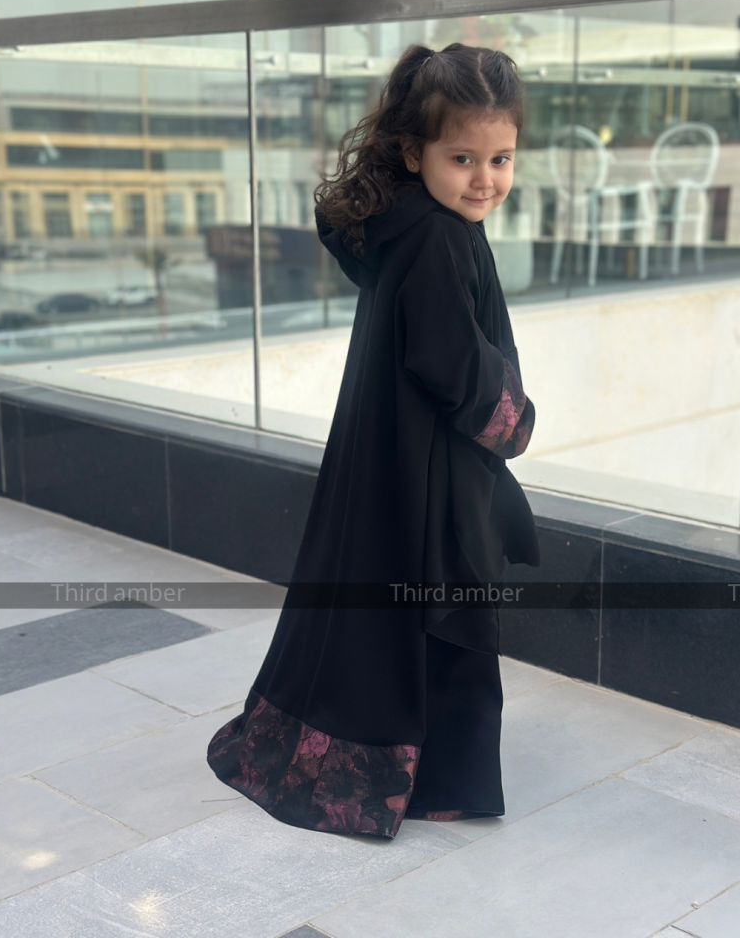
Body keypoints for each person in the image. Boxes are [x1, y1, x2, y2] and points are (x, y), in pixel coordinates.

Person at [206, 42, 540, 840]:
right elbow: (448, 360)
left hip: (393, 454)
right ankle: (432, 779)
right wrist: (516, 419)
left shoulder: (411, 220)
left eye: (500, 159)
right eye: (463, 158)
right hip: (426, 467)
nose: (484, 179)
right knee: (436, 600)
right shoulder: (438, 236)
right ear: (414, 151)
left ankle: (420, 768)